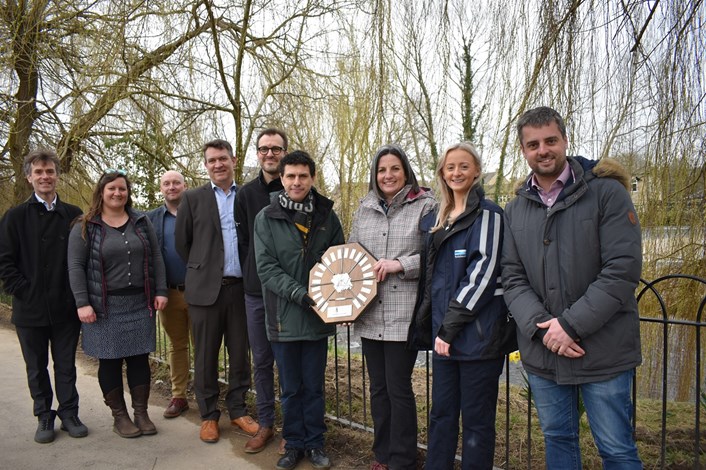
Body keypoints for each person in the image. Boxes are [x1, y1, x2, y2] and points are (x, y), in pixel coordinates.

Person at [502, 106, 643, 469]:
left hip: (604, 351)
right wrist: (543, 328)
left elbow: (621, 270)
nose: (543, 150)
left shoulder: (607, 193)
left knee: (616, 449)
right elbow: (512, 277)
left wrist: (569, 326)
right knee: (559, 442)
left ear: (564, 140)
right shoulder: (516, 208)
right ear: (524, 150)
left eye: (550, 140)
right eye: (533, 144)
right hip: (544, 353)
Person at [419, 142, 507, 470]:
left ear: (476, 172)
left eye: (464, 166)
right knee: (441, 415)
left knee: (477, 422)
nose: (456, 172)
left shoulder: (489, 215)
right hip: (445, 340)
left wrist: (449, 328)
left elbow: (482, 275)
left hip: (477, 341)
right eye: (450, 167)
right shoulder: (438, 219)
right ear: (442, 173)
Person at [254, 151, 344, 470]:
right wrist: (300, 293)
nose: (296, 182)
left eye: (302, 176)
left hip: (319, 317)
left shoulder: (327, 217)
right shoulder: (267, 217)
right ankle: (293, 444)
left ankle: (315, 443)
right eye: (290, 176)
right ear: (281, 179)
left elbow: (339, 263)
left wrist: (341, 299)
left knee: (314, 386)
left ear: (313, 178)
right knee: (291, 388)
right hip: (284, 318)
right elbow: (266, 268)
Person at [348, 144, 436, 470]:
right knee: (378, 388)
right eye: (382, 170)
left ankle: (402, 458)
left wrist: (400, 264)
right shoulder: (364, 208)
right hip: (370, 311)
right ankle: (382, 454)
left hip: (403, 312)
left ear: (405, 171)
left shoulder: (425, 206)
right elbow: (351, 257)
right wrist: (344, 305)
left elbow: (432, 254)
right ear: (375, 174)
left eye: (394, 169)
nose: (388, 175)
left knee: (399, 388)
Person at [67, 170, 167, 438]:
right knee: (109, 362)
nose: (117, 193)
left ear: (127, 192)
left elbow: (156, 257)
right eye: (111, 188)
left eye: (122, 188)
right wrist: (82, 303)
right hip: (104, 308)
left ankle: (141, 413)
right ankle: (120, 417)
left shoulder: (141, 222)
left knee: (139, 360)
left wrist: (160, 290)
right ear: (101, 192)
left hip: (138, 304)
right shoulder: (85, 226)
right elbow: (75, 267)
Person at [0, 149, 87, 443]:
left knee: (66, 365)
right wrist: (24, 290)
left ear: (57, 176)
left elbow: (83, 258)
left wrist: (76, 295)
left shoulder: (74, 215)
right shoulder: (15, 216)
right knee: (36, 367)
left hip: (65, 307)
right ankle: (44, 415)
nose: (45, 177)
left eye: (50, 171)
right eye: (38, 172)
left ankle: (70, 413)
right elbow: (4, 262)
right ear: (29, 177)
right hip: (30, 308)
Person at [175, 139, 256, 444]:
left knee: (240, 355)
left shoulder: (246, 196)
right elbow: (182, 243)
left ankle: (238, 410)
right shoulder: (192, 198)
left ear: (234, 160)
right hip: (205, 291)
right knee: (206, 356)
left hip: (240, 289)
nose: (218, 164)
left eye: (223, 158)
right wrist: (204, 269)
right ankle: (208, 415)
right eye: (212, 160)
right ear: (206, 165)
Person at [235, 128, 286, 453]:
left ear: (284, 152)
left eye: (276, 149)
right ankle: (266, 423)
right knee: (262, 362)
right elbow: (243, 243)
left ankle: (295, 429)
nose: (270, 154)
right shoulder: (245, 194)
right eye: (265, 149)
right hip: (255, 292)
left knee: (290, 361)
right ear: (258, 153)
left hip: (290, 293)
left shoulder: (296, 185)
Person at [147, 170, 191, 418]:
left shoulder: (196, 212)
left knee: (204, 346)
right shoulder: (152, 218)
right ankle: (179, 396)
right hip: (168, 293)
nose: (171, 187)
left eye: (176, 182)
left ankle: (209, 398)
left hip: (199, 292)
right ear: (161, 188)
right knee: (177, 346)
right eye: (166, 183)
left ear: (184, 186)